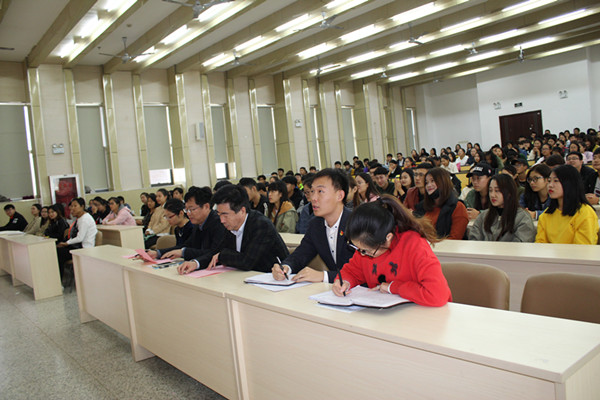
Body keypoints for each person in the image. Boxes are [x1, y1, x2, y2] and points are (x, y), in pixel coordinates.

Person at [331, 195, 451, 307]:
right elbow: (352, 271)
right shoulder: (367, 246)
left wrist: (393, 287)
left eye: (366, 251)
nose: (362, 254)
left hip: (426, 312)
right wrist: (344, 282)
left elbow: (437, 295)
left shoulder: (414, 245)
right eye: (359, 249)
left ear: (388, 237)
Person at [273, 169, 355, 283]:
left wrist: (324, 276)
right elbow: (302, 253)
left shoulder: (357, 224)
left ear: (339, 195)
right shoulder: (316, 224)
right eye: (312, 191)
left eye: (320, 191)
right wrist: (286, 267)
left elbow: (363, 272)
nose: (313, 198)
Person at [208, 185, 289, 272]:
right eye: (219, 214)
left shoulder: (261, 225)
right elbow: (215, 252)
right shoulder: (230, 225)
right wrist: (198, 263)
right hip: (244, 276)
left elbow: (247, 262)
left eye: (225, 215)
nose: (222, 220)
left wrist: (222, 256)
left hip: (271, 275)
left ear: (242, 211)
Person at [150, 186, 228, 274]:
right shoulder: (197, 223)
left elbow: (214, 252)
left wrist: (186, 254)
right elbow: (186, 245)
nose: (188, 214)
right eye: (186, 210)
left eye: (191, 209)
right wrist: (158, 253)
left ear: (206, 206)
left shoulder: (219, 223)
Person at [535, 165, 599, 244]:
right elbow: (540, 245)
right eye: (549, 181)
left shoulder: (585, 213)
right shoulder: (545, 215)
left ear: (570, 183)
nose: (550, 185)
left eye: (556, 181)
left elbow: (583, 248)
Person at [469, 174, 535, 242]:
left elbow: (521, 244)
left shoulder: (523, 218)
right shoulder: (483, 217)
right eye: (490, 190)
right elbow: (474, 241)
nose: (492, 195)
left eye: (497, 190)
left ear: (509, 193)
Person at [414, 168, 468, 240]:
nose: (429, 185)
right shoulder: (422, 206)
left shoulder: (457, 207)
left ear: (443, 182)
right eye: (426, 183)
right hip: (423, 244)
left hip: (446, 246)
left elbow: (455, 238)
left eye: (432, 181)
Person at [56, 198, 98, 281]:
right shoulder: (80, 218)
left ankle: (59, 281)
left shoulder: (85, 219)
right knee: (57, 250)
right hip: (76, 246)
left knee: (59, 253)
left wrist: (67, 243)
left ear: (82, 206)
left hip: (83, 248)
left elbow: (80, 238)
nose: (72, 208)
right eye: (71, 206)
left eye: (75, 206)